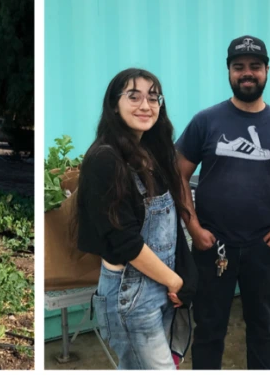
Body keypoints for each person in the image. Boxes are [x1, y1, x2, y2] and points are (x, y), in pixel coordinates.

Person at [175, 35, 270, 369]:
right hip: (212, 247)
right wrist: (194, 227)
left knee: (264, 329)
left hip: (264, 248)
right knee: (209, 329)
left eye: (255, 66)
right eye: (239, 67)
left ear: (267, 70)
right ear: (229, 72)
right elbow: (176, 175)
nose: (247, 73)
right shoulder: (205, 121)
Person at [76, 68, 188, 369]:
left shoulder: (149, 154)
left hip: (160, 286)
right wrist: (175, 280)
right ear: (114, 104)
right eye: (134, 96)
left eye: (153, 98)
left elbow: (171, 224)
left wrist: (181, 279)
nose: (145, 106)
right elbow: (123, 240)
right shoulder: (105, 159)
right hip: (131, 291)